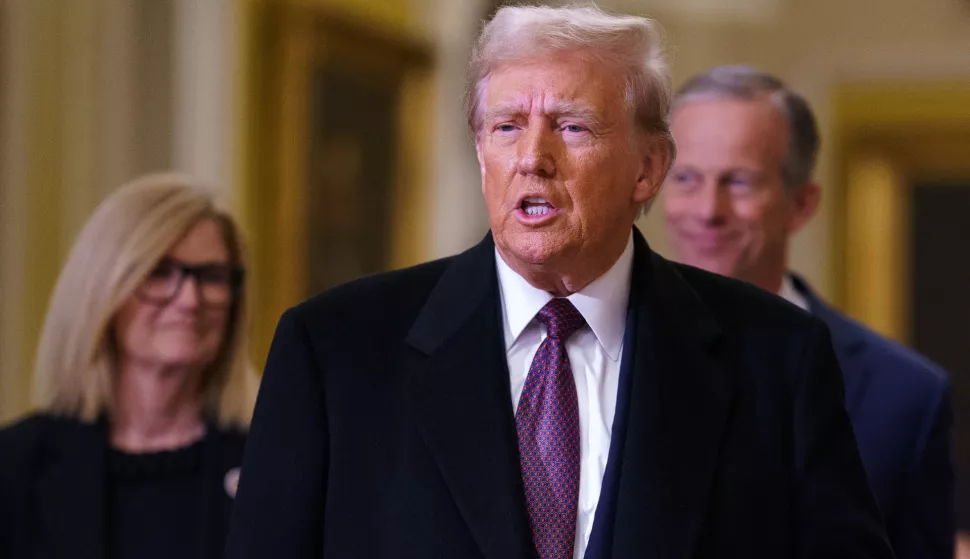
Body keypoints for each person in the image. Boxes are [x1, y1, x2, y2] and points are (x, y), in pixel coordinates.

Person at [226, 6, 893, 558]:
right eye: (507, 127)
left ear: (648, 168)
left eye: (572, 127)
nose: (533, 159)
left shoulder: (777, 355)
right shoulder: (335, 350)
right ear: (481, 150)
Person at [663, 65, 953, 559]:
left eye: (739, 182)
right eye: (686, 179)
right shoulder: (591, 351)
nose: (707, 210)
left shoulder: (905, 395)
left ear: (801, 203)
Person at [0, 173, 257, 559]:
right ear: (102, 290)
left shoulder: (266, 461)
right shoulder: (15, 466)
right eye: (159, 272)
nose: (190, 299)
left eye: (213, 277)